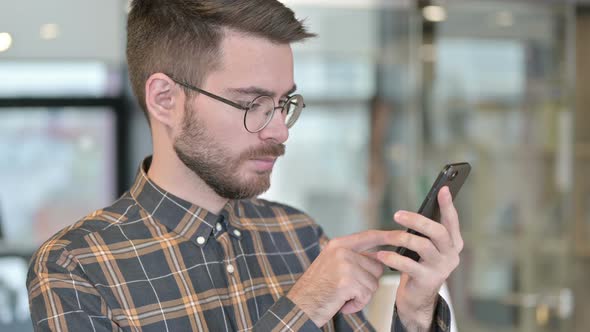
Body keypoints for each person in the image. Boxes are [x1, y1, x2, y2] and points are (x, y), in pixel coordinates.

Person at [27, 1, 463, 331]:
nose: (280, 131)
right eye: (253, 103)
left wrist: (416, 310)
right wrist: (302, 309)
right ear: (165, 99)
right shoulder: (77, 266)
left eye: (284, 103)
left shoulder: (299, 236)